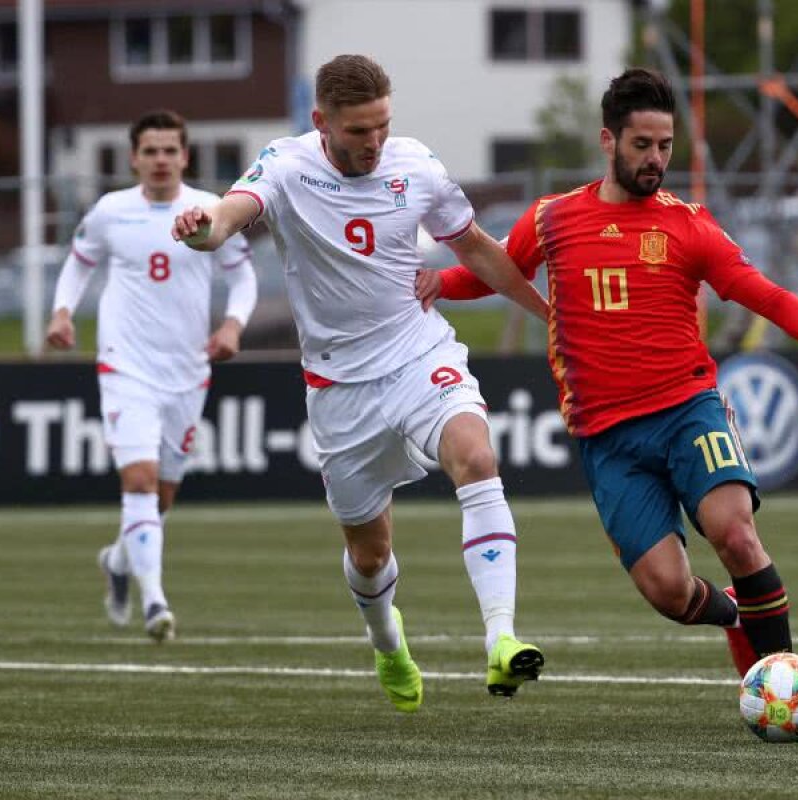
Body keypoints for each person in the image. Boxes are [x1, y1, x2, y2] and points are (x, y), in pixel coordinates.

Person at [418, 68, 798, 678]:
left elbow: (761, 291)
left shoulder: (688, 225)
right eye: (643, 145)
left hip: (688, 409)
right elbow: (497, 272)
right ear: (608, 141)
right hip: (608, 437)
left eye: (665, 145)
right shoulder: (553, 219)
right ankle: (741, 615)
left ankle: (781, 681)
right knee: (669, 592)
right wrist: (437, 282)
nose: (657, 158)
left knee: (733, 533)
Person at [172, 55, 549, 712]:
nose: (373, 143)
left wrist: (551, 317)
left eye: (381, 127)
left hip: (417, 355)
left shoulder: (417, 165)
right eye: (357, 132)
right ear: (322, 122)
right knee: (370, 554)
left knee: (477, 455)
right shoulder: (287, 166)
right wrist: (201, 227)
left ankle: (503, 639)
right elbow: (229, 215)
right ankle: (386, 641)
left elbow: (480, 250)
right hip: (341, 391)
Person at [47, 109, 258, 642]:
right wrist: (62, 311)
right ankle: (156, 603)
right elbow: (78, 262)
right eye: (151, 151)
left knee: (160, 498)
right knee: (138, 482)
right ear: (134, 158)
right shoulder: (110, 212)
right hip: (126, 365)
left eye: (170, 150)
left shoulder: (211, 210)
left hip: (187, 369)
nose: (161, 159)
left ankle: (118, 563)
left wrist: (232, 327)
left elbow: (243, 279)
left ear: (184, 156)